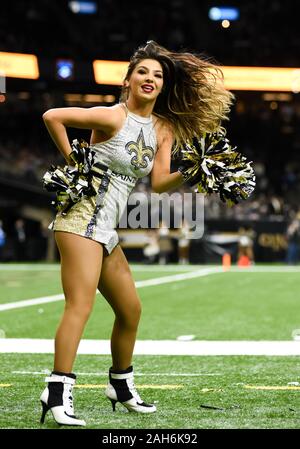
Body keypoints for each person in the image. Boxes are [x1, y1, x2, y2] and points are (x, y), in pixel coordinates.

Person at [40, 40, 233, 426]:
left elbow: (159, 182)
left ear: (162, 86)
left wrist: (198, 171)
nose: (150, 78)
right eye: (142, 72)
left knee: (130, 310)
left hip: (106, 229)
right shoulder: (113, 116)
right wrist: (74, 162)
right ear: (127, 81)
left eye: (157, 75)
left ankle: (121, 385)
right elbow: (52, 116)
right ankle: (57, 391)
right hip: (81, 220)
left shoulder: (161, 128)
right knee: (80, 307)